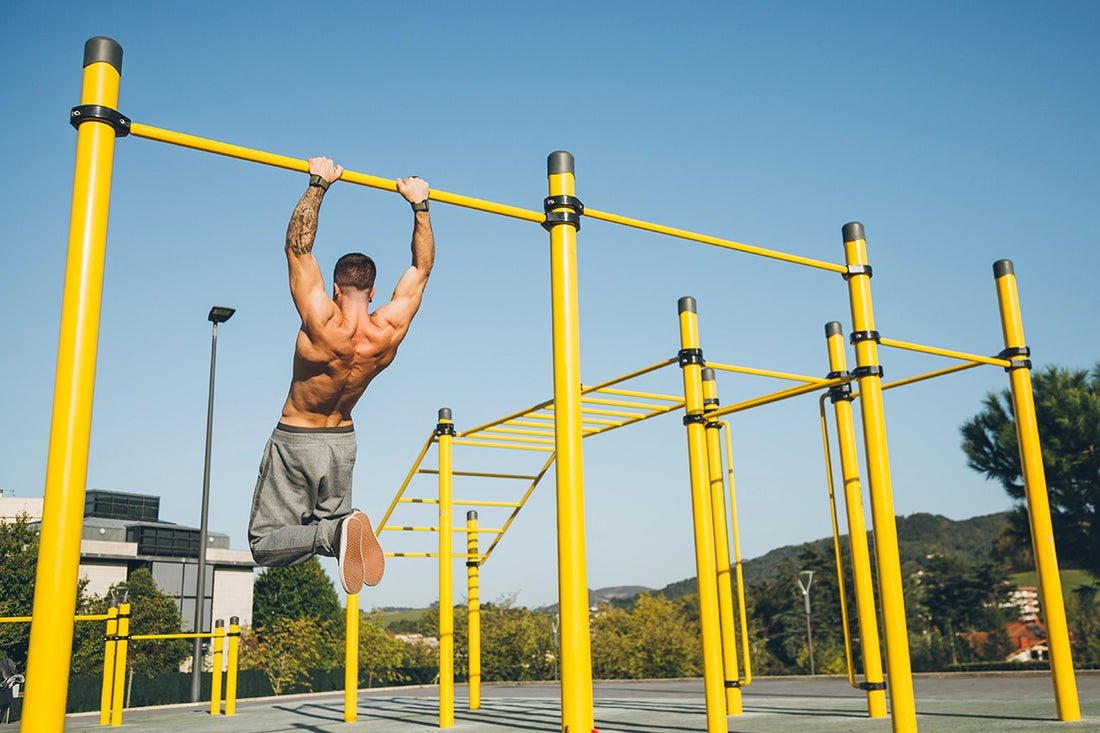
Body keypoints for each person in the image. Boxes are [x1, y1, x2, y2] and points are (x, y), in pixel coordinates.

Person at [248, 156, 434, 594]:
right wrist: (420, 207)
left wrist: (319, 184)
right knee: (333, 524)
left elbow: (298, 247)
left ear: (334, 288)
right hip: (342, 442)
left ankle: (336, 532)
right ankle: (340, 528)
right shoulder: (387, 329)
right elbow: (422, 268)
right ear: (373, 291)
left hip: (297, 437)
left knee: (264, 543)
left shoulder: (323, 323)